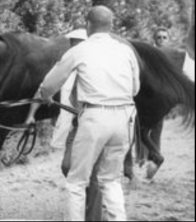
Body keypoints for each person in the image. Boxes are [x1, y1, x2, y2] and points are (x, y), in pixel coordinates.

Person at [36, 6, 140, 221]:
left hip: (95, 117)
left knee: (76, 182)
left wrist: (45, 96)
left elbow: (49, 85)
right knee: (111, 180)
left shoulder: (80, 50)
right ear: (111, 26)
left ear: (88, 25)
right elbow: (135, 88)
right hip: (125, 118)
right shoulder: (126, 50)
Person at [24, 29, 104, 221]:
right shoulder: (66, 66)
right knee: (67, 166)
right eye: (73, 43)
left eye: (78, 42)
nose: (75, 46)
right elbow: (43, 88)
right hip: (74, 126)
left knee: (94, 175)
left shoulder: (98, 68)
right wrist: (31, 115)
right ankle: (86, 202)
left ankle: (94, 214)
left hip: (96, 124)